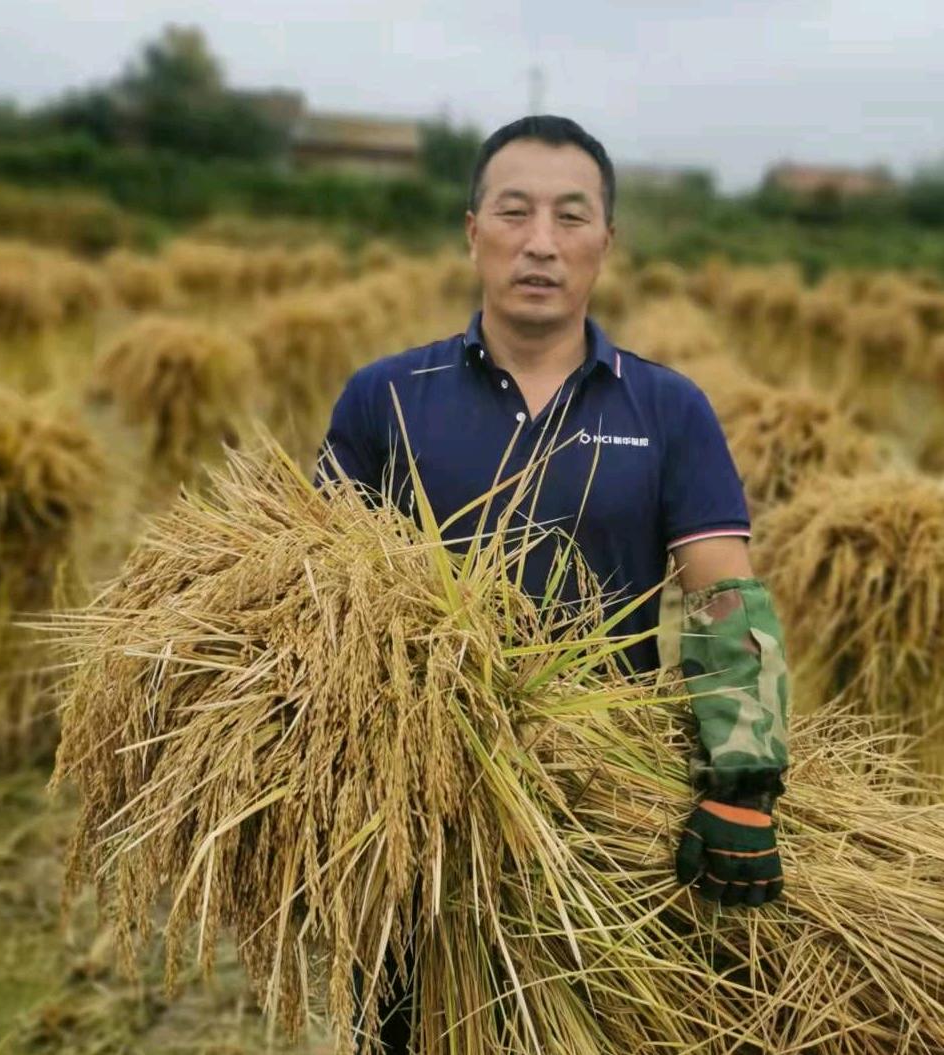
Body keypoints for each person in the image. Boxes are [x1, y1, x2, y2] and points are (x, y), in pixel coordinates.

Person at [318, 115, 789, 1053]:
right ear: (472, 231)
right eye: (514, 211)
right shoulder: (387, 396)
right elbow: (316, 597)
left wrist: (744, 782)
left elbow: (724, 598)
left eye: (570, 217)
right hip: (416, 810)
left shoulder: (666, 407)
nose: (540, 241)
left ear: (604, 243)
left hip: (601, 810)